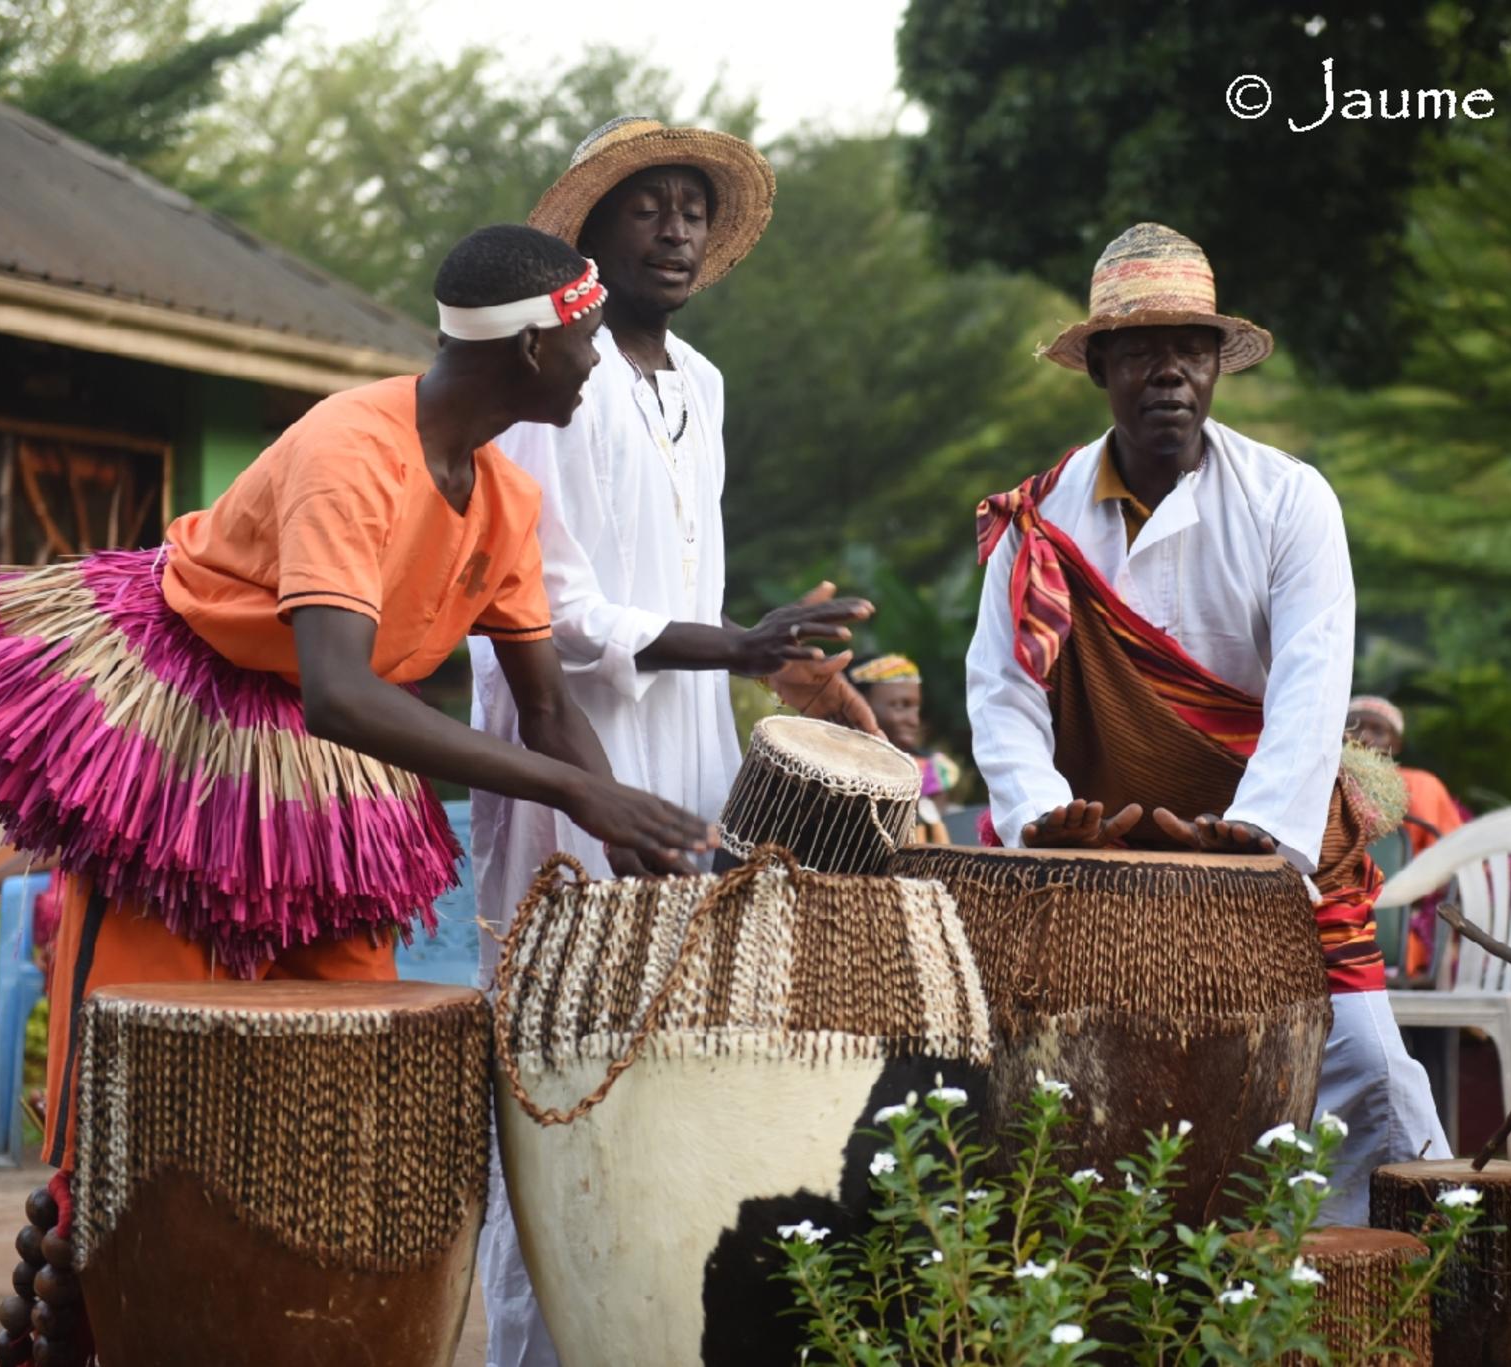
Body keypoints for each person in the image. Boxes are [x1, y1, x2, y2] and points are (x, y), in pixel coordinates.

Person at [0, 224, 713, 1266]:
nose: (597, 363)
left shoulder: (509, 496)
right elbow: (342, 692)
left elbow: (547, 705)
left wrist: (623, 827)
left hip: (316, 772)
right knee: (142, 1078)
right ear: (531, 346)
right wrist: (579, 792)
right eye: (588, 340)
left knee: (349, 1058)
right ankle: (99, 1286)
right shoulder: (352, 448)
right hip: (187, 743)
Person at [467, 117, 879, 1367]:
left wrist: (766, 658)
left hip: (693, 758)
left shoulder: (702, 382)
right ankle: (535, 1348)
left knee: (676, 1074)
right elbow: (554, 610)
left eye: (694, 206)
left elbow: (689, 581)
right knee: (558, 1079)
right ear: (587, 233)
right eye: (647, 204)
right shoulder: (549, 375)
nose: (677, 227)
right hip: (567, 760)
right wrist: (737, 643)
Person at [966, 222, 1447, 1223]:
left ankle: (1387, 1291)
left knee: (1367, 1070)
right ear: (1098, 365)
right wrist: (1043, 818)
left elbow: (1314, 687)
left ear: (1217, 363)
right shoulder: (1036, 522)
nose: (1168, 373)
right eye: (1139, 349)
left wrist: (1259, 841)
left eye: (1190, 348)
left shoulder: (1290, 499)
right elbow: (1002, 695)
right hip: (1104, 854)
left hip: (1273, 856)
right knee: (1061, 1093)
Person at [1346, 694, 1466, 979]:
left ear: (1396, 744)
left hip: (1403, 932)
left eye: (1377, 730)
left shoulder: (1423, 786)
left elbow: (1453, 865)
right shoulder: (1322, 781)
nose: (1364, 737)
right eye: (1353, 726)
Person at [849, 653, 964, 844]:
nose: (914, 720)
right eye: (899, 706)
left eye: (915, 708)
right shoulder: (840, 767)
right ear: (859, 705)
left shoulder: (931, 771)